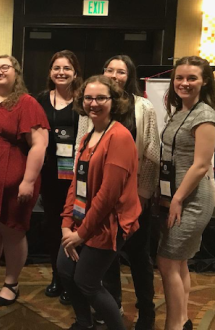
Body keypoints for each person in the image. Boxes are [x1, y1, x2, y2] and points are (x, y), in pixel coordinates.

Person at [76, 55, 159, 328]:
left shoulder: (143, 107)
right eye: (108, 69)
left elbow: (151, 154)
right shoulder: (92, 104)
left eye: (120, 71)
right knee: (106, 257)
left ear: (129, 76)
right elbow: (81, 149)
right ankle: (113, 304)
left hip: (131, 200)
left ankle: (146, 312)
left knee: (139, 257)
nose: (113, 75)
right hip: (98, 197)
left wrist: (144, 194)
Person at [58, 75, 141, 330]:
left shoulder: (120, 137)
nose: (93, 103)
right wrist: (66, 224)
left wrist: (81, 234)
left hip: (108, 224)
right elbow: (76, 184)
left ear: (113, 101)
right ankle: (84, 323)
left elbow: (108, 196)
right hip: (81, 220)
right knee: (64, 270)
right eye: (88, 98)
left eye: (101, 98)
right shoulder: (87, 137)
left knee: (87, 282)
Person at [0, 55, 49, 306]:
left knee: (12, 230)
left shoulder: (27, 103)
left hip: (14, 181)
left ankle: (12, 283)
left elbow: (39, 145)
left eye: (6, 67)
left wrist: (28, 180)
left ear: (16, 72)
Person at [158, 56, 215, 330]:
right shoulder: (180, 110)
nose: (184, 83)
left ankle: (173, 324)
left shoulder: (205, 114)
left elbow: (201, 164)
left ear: (204, 81)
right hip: (176, 196)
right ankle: (182, 321)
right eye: (179, 77)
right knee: (178, 260)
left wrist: (178, 199)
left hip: (191, 198)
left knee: (168, 260)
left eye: (192, 78)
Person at [37, 50, 82, 306]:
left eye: (67, 68)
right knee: (53, 227)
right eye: (56, 68)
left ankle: (74, 279)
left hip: (78, 174)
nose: (61, 72)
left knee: (76, 227)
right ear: (50, 72)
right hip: (50, 173)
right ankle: (58, 276)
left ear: (75, 73)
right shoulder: (40, 100)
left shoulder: (84, 100)